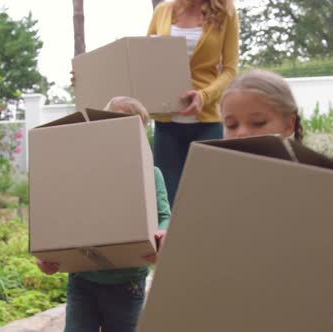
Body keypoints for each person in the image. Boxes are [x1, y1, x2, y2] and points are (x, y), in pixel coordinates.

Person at [219, 69, 333, 332]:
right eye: (231, 125)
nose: (241, 133)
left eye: (258, 123)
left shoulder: (319, 186)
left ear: (289, 124)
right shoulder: (215, 189)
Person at [36, 96, 171, 332]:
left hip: (127, 283)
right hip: (83, 280)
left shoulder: (151, 173)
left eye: (130, 128)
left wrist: (161, 236)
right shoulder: (82, 169)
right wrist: (45, 252)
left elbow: (163, 215)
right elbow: (56, 213)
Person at [147, 0, 239, 207]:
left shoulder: (226, 12)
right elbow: (142, 61)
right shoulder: (163, 10)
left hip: (208, 125)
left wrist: (204, 96)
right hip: (166, 124)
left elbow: (230, 69)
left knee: (209, 201)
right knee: (166, 203)